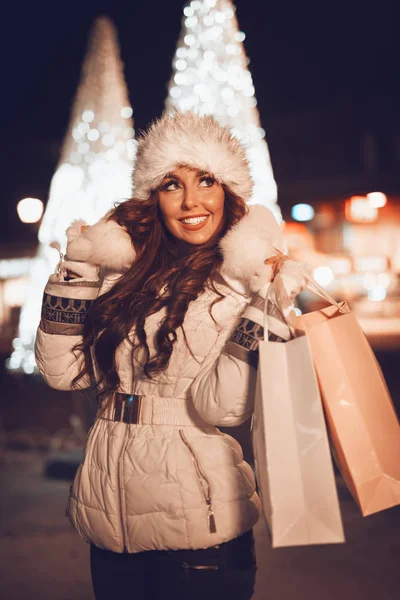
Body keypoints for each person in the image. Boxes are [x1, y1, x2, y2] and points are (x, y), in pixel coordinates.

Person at [35, 112, 303, 600]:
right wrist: (78, 264)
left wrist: (263, 316)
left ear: (229, 192)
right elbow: (63, 372)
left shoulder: (245, 283)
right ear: (153, 197)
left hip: (200, 531)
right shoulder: (124, 278)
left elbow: (223, 408)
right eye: (171, 184)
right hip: (109, 522)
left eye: (206, 180)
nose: (191, 201)